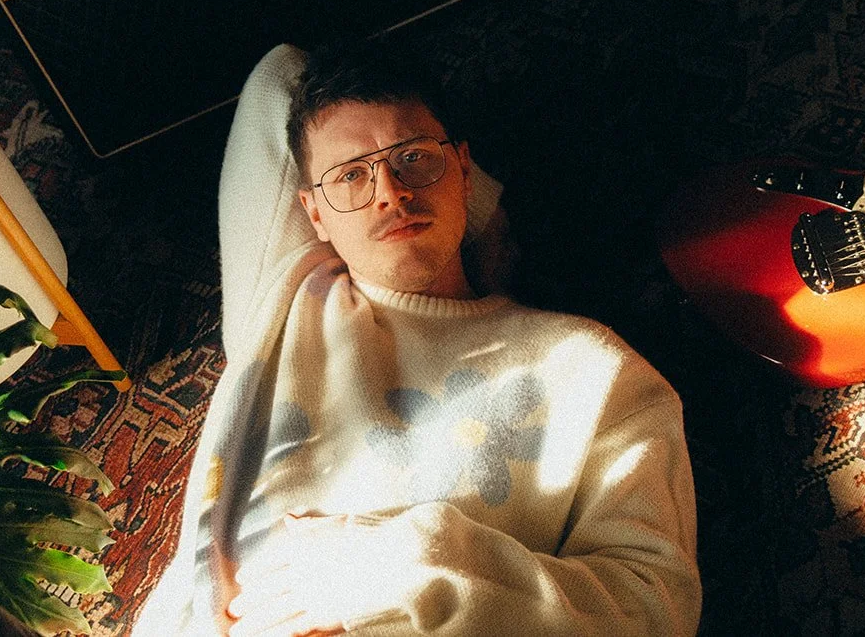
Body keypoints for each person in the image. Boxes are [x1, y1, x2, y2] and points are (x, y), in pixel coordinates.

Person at [135, 41, 701, 636]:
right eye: (351, 175)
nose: (390, 192)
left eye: (412, 159)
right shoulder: (286, 300)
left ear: (463, 167)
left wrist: (409, 566)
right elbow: (277, 75)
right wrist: (491, 231)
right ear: (314, 214)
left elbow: (656, 608)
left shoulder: (590, 367)